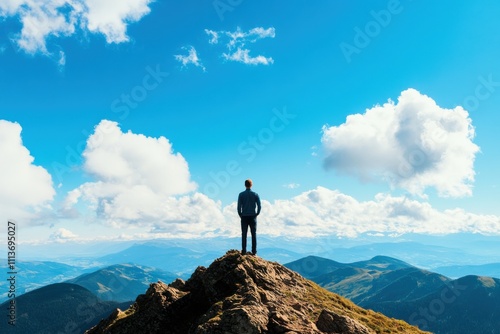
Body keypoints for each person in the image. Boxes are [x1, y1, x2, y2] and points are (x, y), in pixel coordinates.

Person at [237, 179, 261, 255]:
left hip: (244, 216)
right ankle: (254, 252)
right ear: (251, 185)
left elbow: (238, 206)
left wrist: (240, 214)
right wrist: (257, 213)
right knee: (253, 234)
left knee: (244, 234)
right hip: (252, 216)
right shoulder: (255, 194)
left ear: (245, 185)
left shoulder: (241, 195)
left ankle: (244, 251)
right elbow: (259, 206)